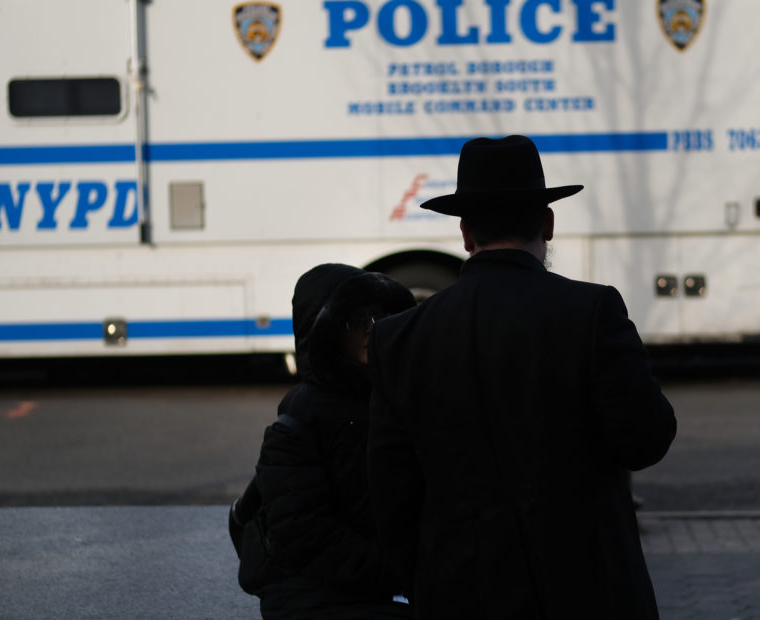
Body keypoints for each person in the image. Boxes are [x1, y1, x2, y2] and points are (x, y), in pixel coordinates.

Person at [367, 135, 677, 619]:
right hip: (588, 588)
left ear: (466, 234)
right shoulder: (592, 312)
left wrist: (425, 582)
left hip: (461, 592)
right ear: (548, 223)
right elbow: (647, 441)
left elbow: (392, 495)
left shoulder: (399, 338)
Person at [230, 263, 416, 620]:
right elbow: (303, 535)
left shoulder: (394, 396)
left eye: (378, 317)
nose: (370, 329)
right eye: (353, 321)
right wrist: (401, 571)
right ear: (324, 331)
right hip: (313, 597)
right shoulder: (300, 418)